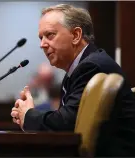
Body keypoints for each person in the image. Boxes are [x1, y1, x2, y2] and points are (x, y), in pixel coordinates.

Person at [11, 4, 135, 156]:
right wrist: (29, 114)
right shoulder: (78, 69)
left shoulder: (92, 66)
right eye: (41, 37)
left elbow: (67, 124)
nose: (42, 44)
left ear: (76, 35)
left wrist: (29, 115)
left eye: (49, 35)